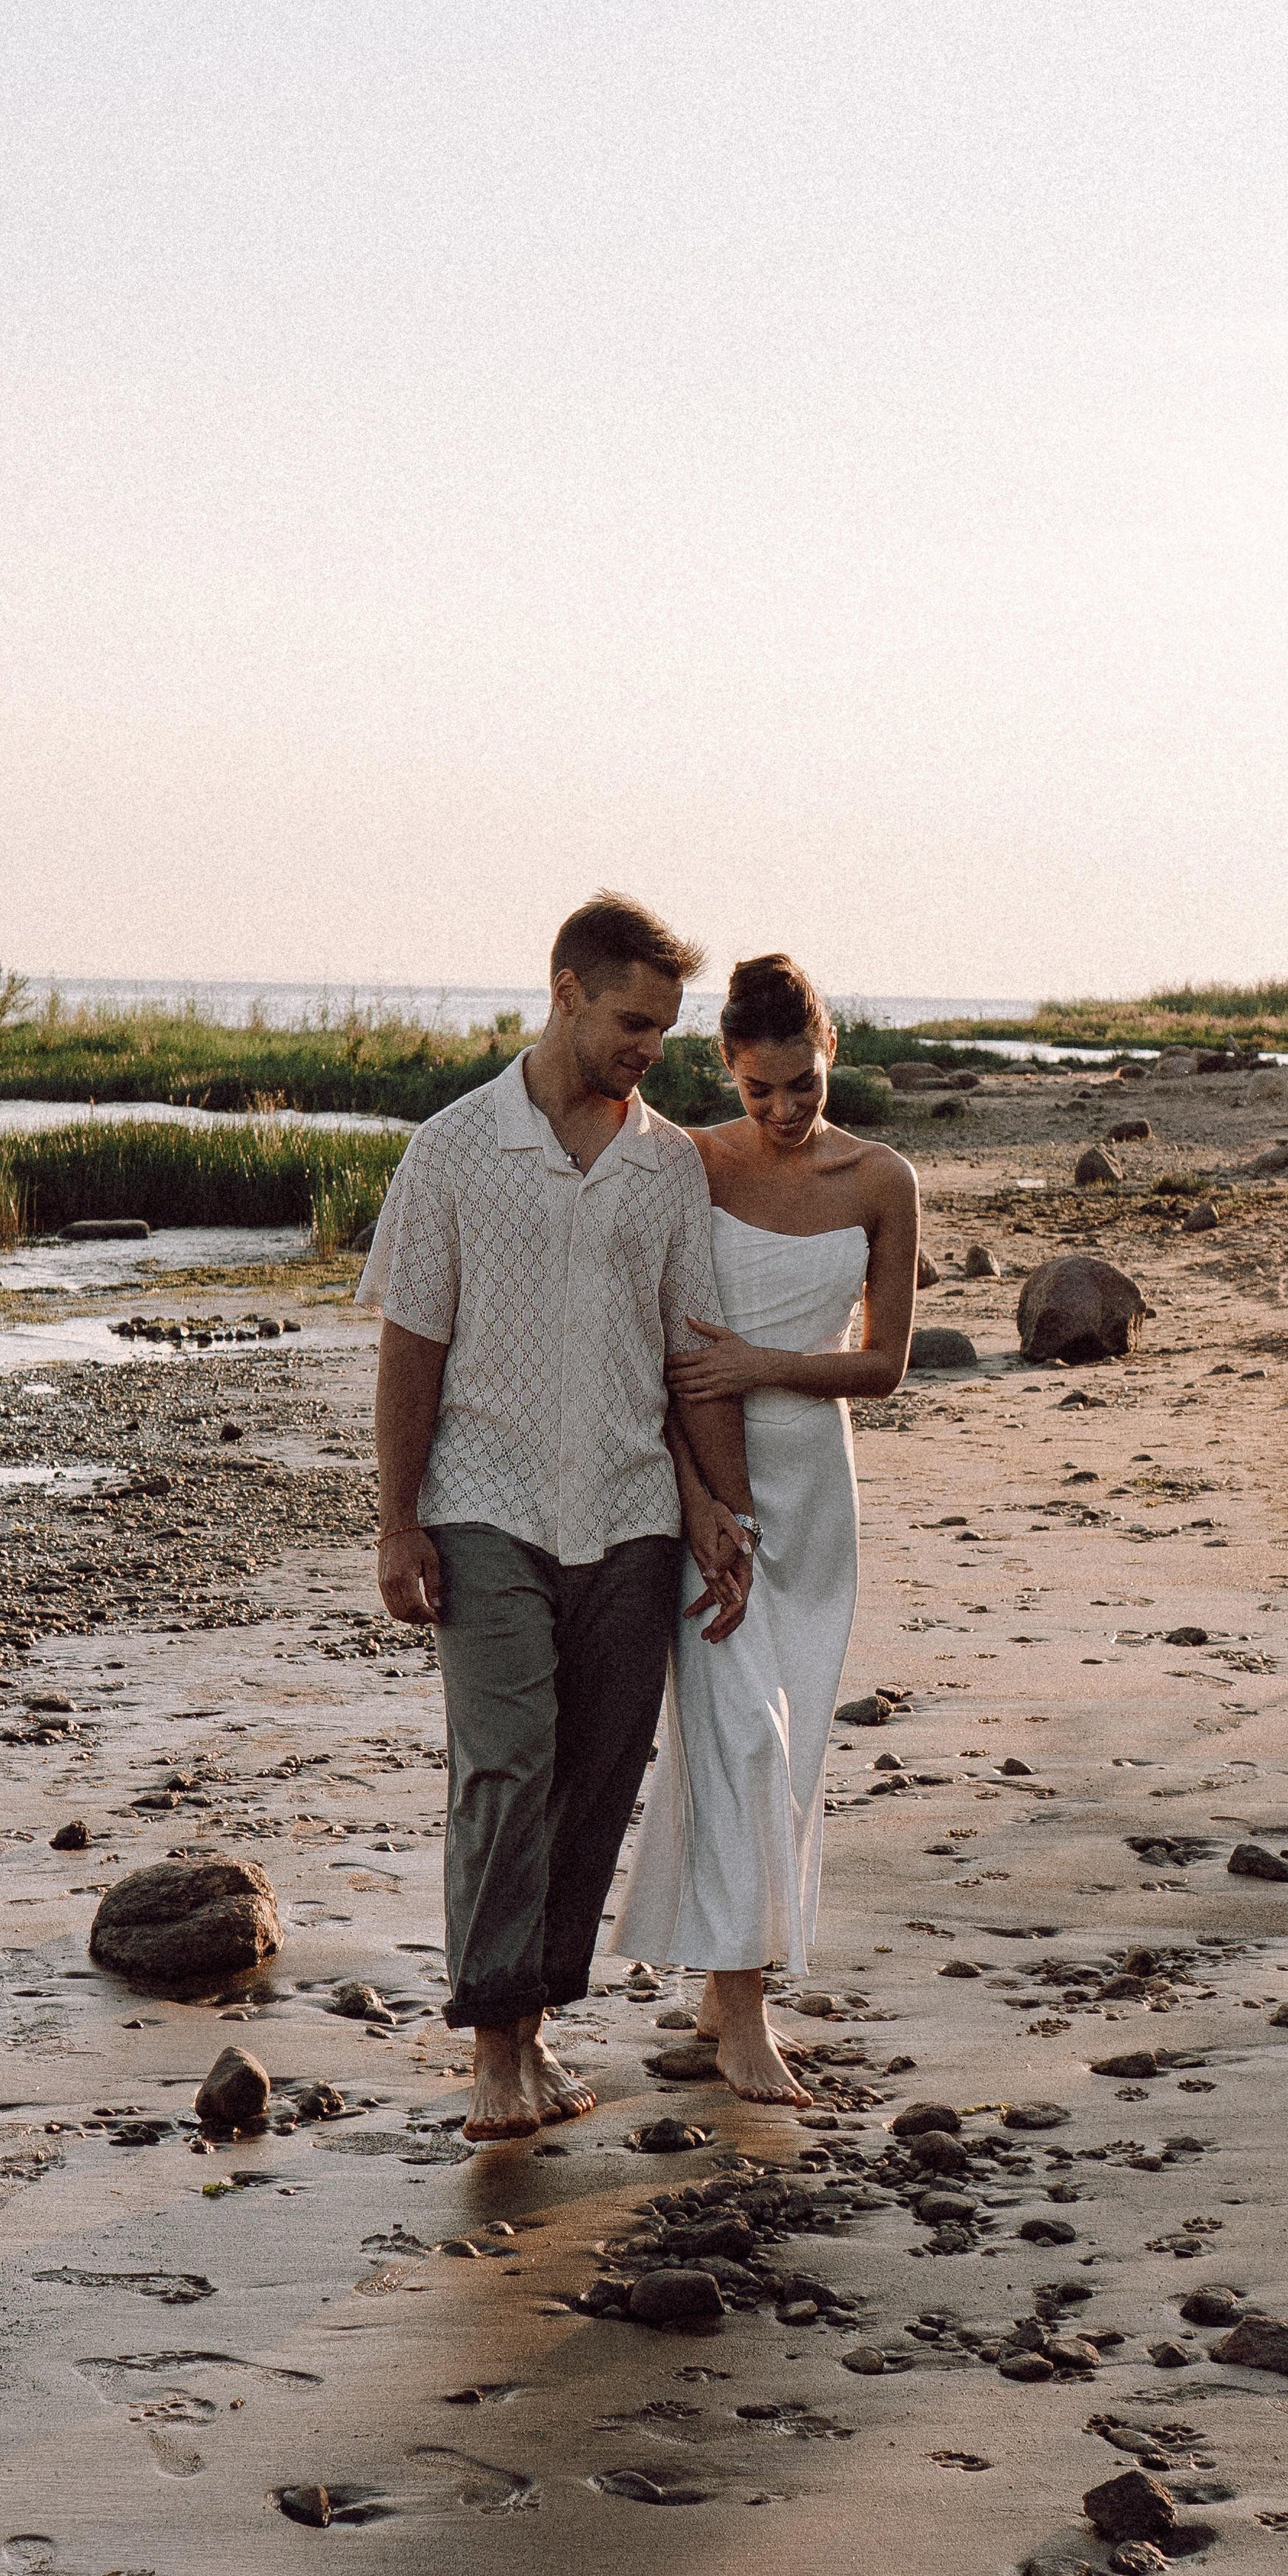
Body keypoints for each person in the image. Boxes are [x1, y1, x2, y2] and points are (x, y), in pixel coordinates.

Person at [362, 894, 758, 2143]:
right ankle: (490, 2046)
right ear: (567, 991)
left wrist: (719, 1510)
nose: (653, 1049)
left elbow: (686, 1357)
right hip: (486, 1505)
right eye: (636, 1021)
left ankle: (536, 2031)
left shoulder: (669, 1166)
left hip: (634, 1518)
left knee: (595, 1780)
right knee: (505, 1765)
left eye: (669, 1029)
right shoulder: (453, 1150)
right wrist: (395, 1521)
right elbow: (410, 1347)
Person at [612, 953, 917, 2104]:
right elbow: (657, 1343)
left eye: (805, 1087)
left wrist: (762, 1362)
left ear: (829, 1057)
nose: (785, 1114)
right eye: (759, 1091)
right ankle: (744, 2014)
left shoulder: (882, 1179)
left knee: (791, 1757)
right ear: (727, 1071)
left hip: (818, 1494)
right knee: (738, 1733)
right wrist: (703, 1504)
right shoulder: (688, 1164)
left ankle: (719, 1984)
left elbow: (883, 1365)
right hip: (710, 1481)